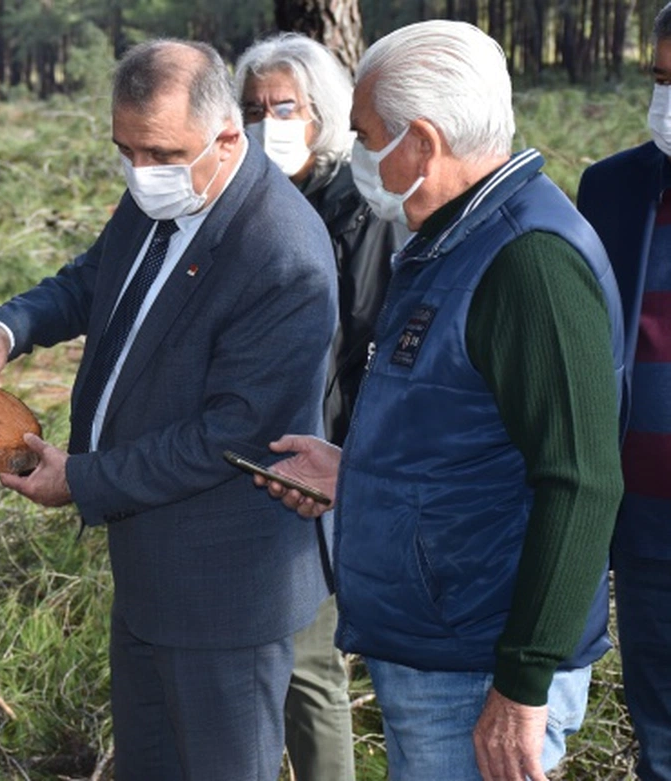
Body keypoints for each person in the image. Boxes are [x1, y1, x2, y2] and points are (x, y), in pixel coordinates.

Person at [0, 39, 337, 781]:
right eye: (125, 150)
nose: (141, 172)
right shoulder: (171, 188)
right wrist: (10, 326)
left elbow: (229, 434)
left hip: (224, 587)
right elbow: (93, 279)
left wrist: (84, 479)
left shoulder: (280, 252)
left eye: (159, 152)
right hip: (152, 568)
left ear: (230, 136)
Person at [257, 20, 626, 781]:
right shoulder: (451, 238)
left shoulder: (529, 264)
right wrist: (353, 472)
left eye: (366, 135)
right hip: (438, 640)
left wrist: (523, 683)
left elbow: (581, 479)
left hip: (478, 661)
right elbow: (457, 430)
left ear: (421, 142)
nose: (357, 154)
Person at [235, 33, 407, 781]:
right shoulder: (238, 199)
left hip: (321, 465)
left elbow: (365, 342)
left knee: (309, 664)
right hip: (244, 458)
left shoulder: (360, 209)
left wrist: (346, 466)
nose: (266, 121)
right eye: (250, 108)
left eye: (283, 106)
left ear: (322, 113)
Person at [577, 5, 671, 777]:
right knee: (661, 734)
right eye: (661, 79)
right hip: (645, 532)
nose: (666, 99)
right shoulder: (611, 191)